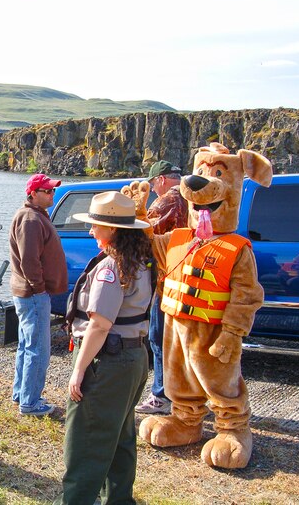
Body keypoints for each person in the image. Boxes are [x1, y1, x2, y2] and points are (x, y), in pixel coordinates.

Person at [56, 191, 152, 505]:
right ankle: (119, 500)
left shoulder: (111, 268)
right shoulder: (139, 261)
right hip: (133, 358)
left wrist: (79, 370)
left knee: (87, 438)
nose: (90, 231)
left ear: (112, 229)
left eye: (95, 224)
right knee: (120, 436)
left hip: (109, 362)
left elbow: (99, 325)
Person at [9, 173, 68, 416]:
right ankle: (30, 402)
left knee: (27, 345)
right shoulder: (30, 219)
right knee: (38, 349)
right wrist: (40, 288)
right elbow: (29, 260)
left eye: (53, 190)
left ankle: (22, 393)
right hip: (33, 295)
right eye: (47, 191)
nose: (52, 194)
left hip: (31, 294)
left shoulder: (35, 216)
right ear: (33, 193)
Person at [135, 160, 188, 415]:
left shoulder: (166, 201)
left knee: (159, 338)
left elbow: (145, 235)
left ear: (162, 180)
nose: (154, 189)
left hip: (167, 281)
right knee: (183, 342)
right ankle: (186, 395)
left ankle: (162, 395)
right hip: (191, 280)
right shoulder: (196, 196)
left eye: (153, 183)